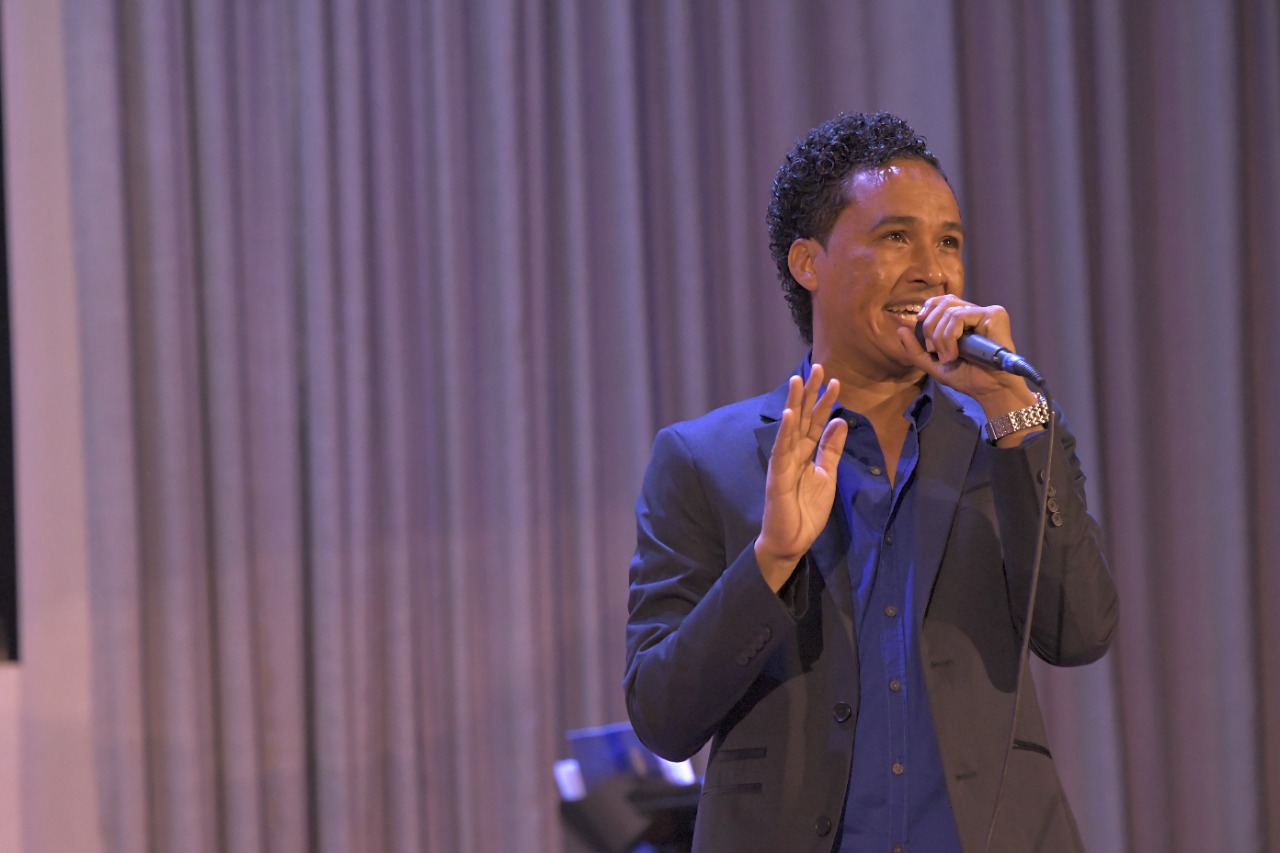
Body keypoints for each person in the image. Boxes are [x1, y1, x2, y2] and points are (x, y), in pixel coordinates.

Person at [623, 112, 1118, 853]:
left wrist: (1015, 419)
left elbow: (1079, 632)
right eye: (895, 238)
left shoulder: (1011, 433)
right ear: (808, 262)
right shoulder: (702, 459)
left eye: (948, 242)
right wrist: (771, 559)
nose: (933, 270)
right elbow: (662, 716)